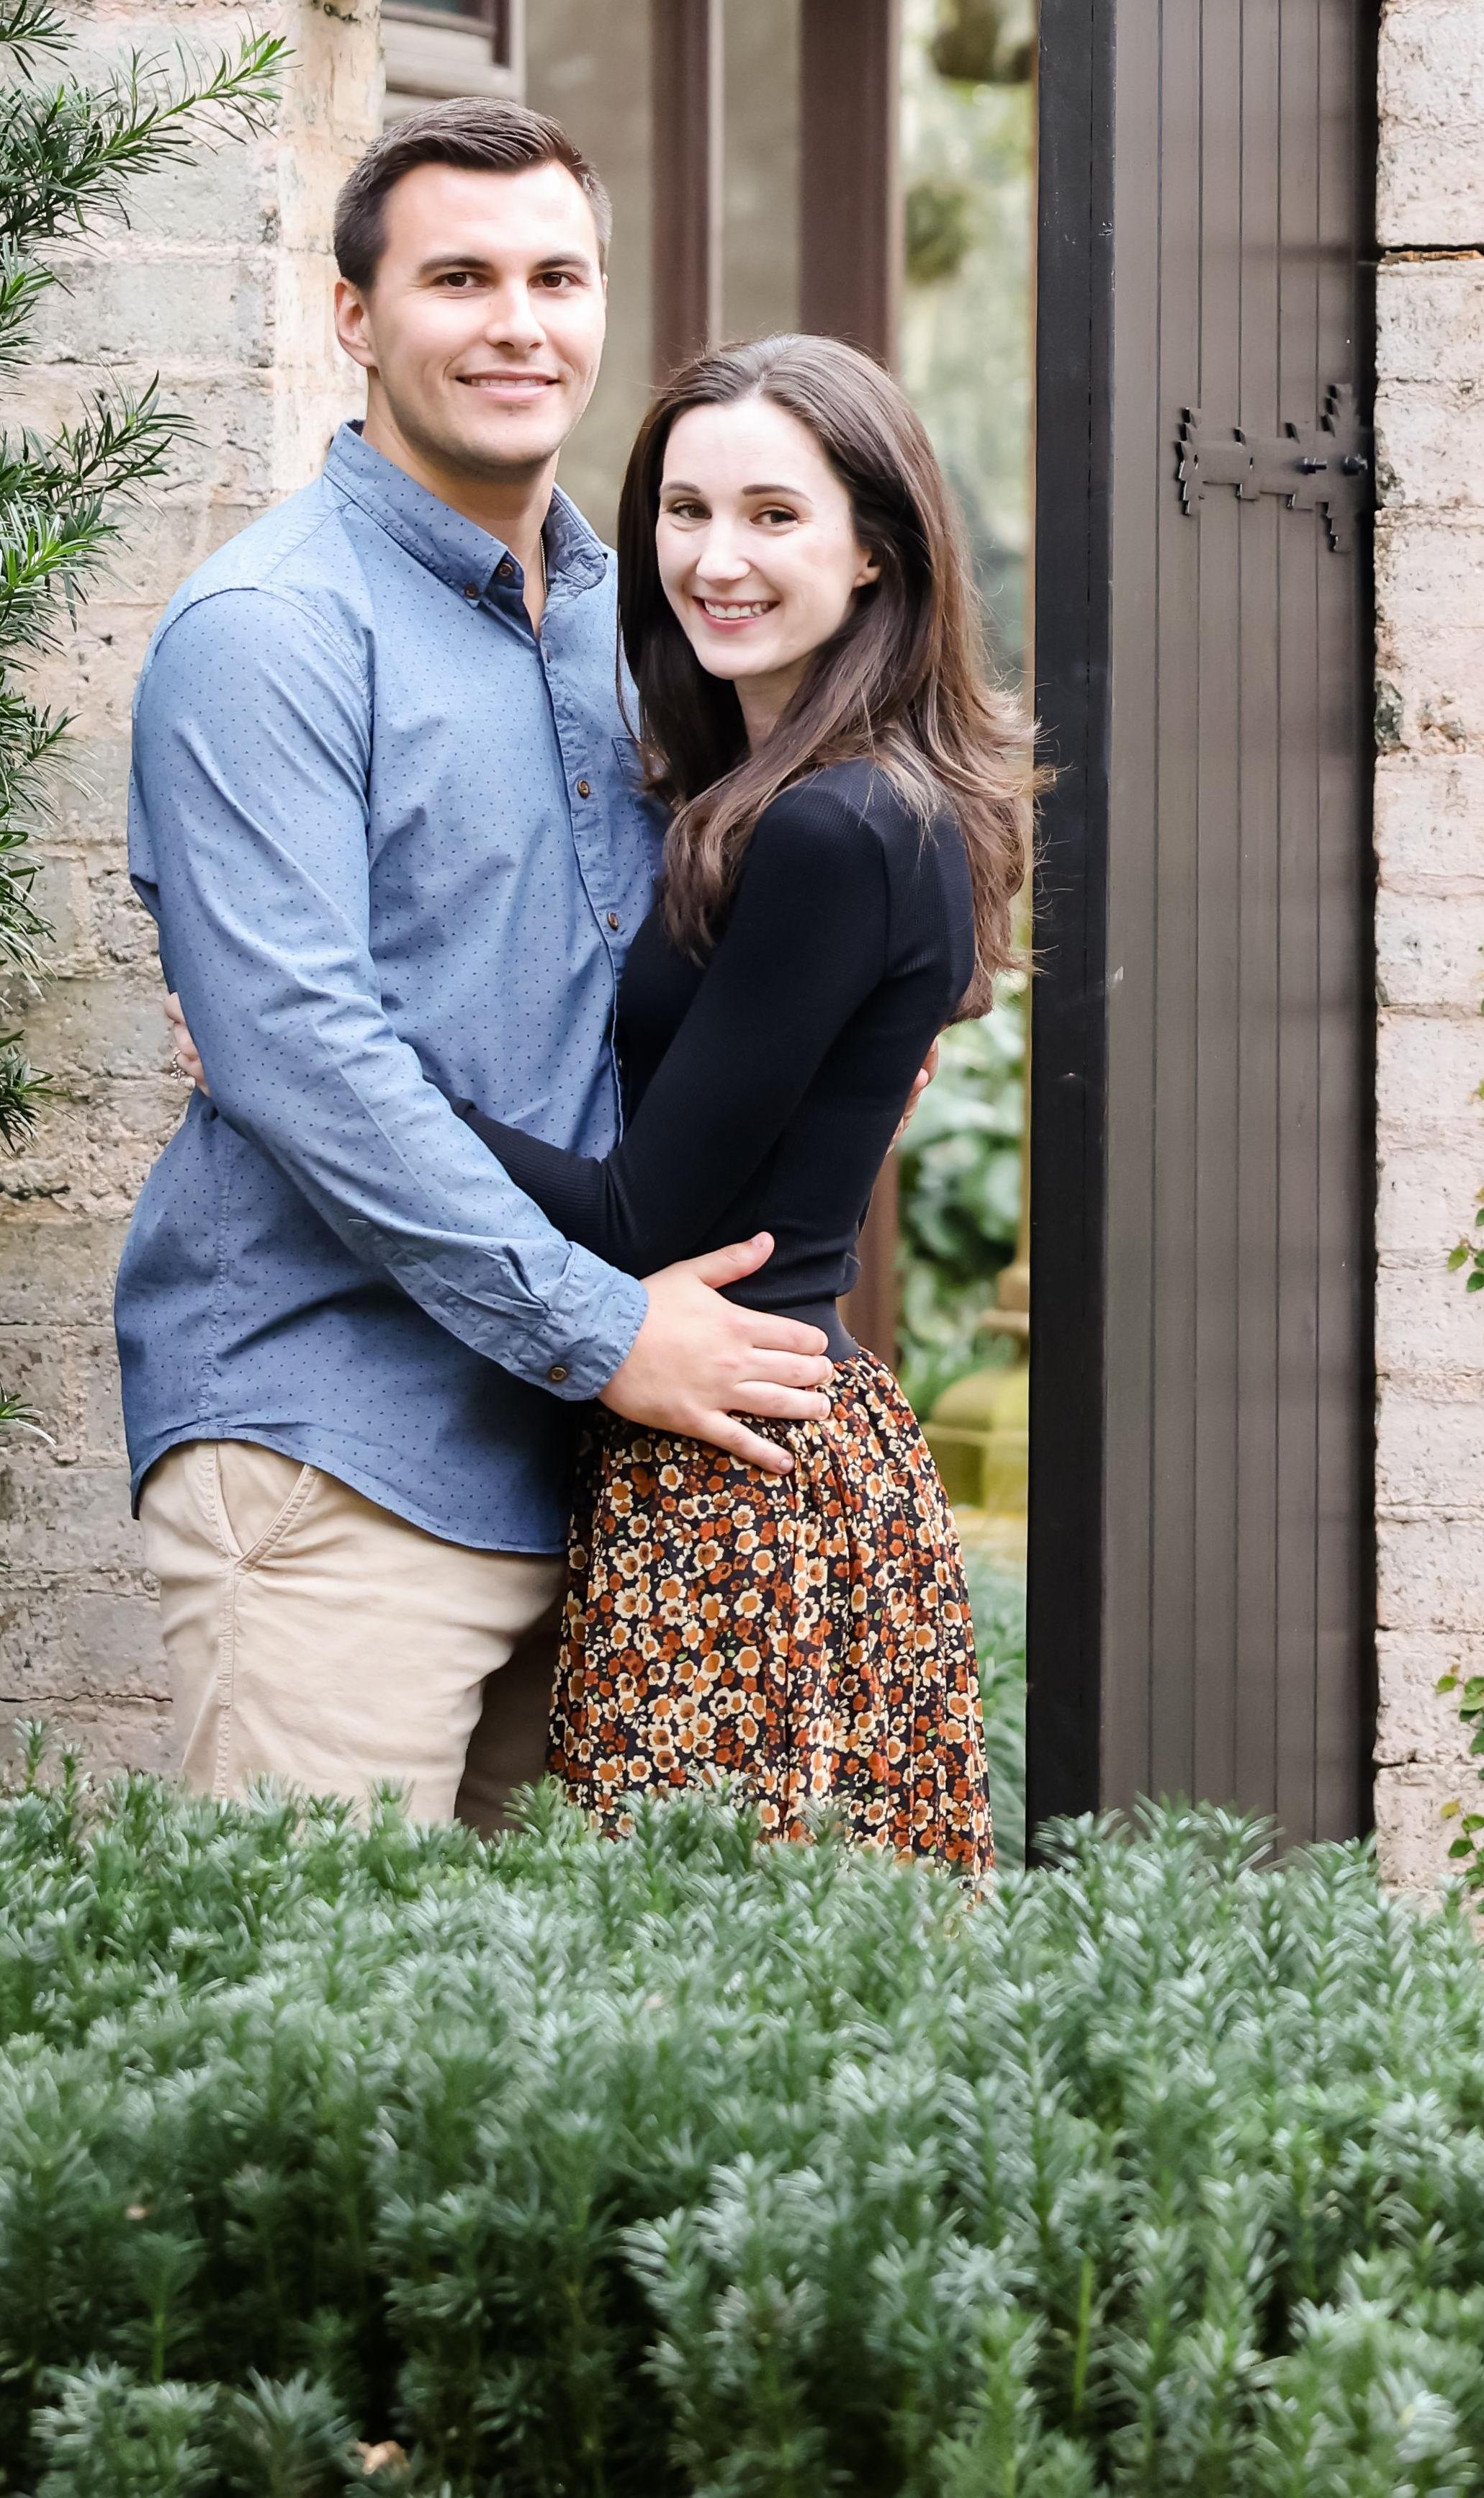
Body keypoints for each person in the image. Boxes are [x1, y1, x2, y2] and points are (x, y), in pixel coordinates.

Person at [117, 101, 839, 1830]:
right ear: (354, 314)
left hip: (598, 1464)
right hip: (341, 1447)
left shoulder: (648, 621)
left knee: (549, 2001)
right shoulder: (270, 632)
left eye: (555, 277)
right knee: (313, 1979)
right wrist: (605, 1332)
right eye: (459, 278)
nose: (518, 322)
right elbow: (303, 1056)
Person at [457, 333, 1030, 1860]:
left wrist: (349, 1075)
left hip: (731, 1480)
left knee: (686, 1961)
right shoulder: (809, 797)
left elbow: (641, 1220)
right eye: (685, 511)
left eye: (774, 514)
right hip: (770, 1440)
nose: (717, 559)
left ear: (875, 549)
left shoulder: (834, 829)